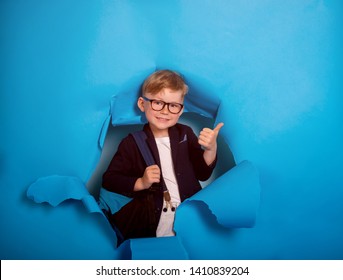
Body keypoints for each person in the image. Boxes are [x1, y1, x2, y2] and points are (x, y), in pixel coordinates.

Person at [102, 69, 223, 240]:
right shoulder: (131, 142)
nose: (165, 111)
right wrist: (140, 182)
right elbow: (110, 179)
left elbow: (203, 173)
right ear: (142, 104)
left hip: (188, 215)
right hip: (153, 219)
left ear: (180, 110)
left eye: (173, 105)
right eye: (158, 103)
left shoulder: (185, 133)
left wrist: (211, 149)